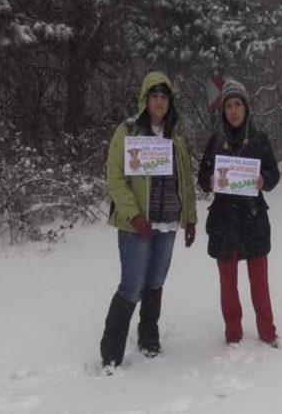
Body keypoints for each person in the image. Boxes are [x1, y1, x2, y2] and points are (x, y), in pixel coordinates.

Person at [100, 71, 197, 372]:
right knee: (132, 286)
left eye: (164, 97)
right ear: (146, 99)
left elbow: (186, 181)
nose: (159, 102)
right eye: (154, 96)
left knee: (155, 282)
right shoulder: (127, 132)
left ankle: (148, 336)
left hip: (167, 222)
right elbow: (115, 179)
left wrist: (190, 218)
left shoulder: (175, 137)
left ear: (170, 102)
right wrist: (135, 215)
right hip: (137, 225)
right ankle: (111, 351)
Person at [197, 79, 282, 348]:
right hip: (224, 221)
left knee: (259, 283)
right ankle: (233, 333)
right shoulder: (215, 141)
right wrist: (210, 181)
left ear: (246, 108)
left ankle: (267, 331)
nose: (233, 111)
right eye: (229, 106)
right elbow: (202, 177)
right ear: (223, 111)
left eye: (238, 105)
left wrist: (263, 180)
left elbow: (274, 173)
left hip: (253, 218)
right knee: (228, 284)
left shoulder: (259, 138)